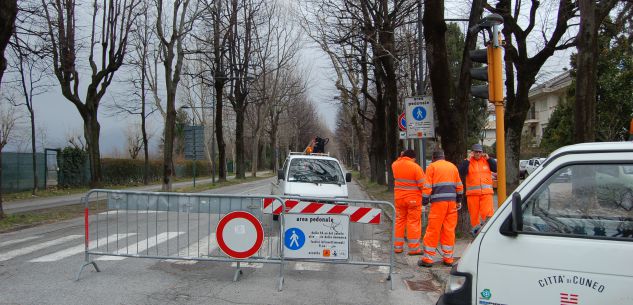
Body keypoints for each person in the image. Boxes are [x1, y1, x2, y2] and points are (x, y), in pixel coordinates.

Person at [418, 149, 463, 267]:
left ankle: (428, 259)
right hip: (452, 203)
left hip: (438, 204)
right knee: (449, 230)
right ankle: (448, 258)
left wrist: (424, 200)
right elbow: (459, 185)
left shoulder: (432, 167)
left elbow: (427, 186)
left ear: (433, 158)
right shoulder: (452, 167)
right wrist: (459, 200)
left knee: (433, 230)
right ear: (443, 157)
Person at [391, 149, 426, 255]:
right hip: (413, 200)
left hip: (399, 199)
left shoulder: (395, 165)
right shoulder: (416, 167)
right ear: (413, 158)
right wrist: (426, 197)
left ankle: (398, 247)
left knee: (399, 221)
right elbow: (422, 185)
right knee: (413, 223)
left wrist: (401, 157)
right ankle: (414, 249)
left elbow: (398, 160)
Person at [458, 143, 497, 236]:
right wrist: (467, 159)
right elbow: (461, 171)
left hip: (486, 194)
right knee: (474, 216)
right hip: (473, 194)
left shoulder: (486, 161)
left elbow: (495, 168)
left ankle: (488, 233)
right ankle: (476, 233)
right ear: (472, 152)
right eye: (476, 152)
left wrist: (489, 158)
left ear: (482, 152)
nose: (478, 153)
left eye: (480, 152)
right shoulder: (467, 162)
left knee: (487, 214)